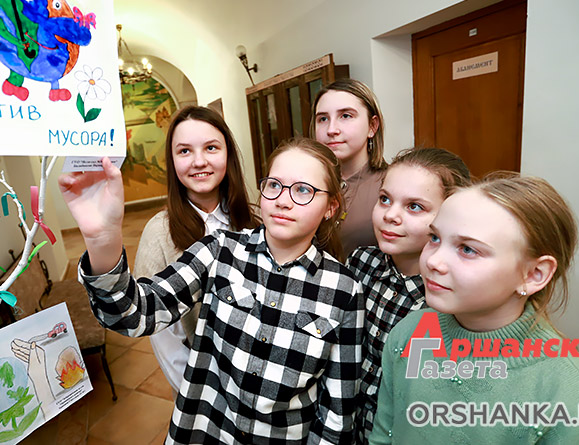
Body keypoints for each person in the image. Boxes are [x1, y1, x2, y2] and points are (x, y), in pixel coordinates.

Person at [59, 137, 365, 444]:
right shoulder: (220, 251)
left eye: (303, 190)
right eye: (274, 185)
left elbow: (337, 414)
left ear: (331, 207)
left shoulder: (345, 291)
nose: (283, 200)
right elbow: (134, 314)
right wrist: (102, 239)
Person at [370, 174, 579, 443]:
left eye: (467, 249)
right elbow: (384, 435)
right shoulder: (409, 334)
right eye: (434, 238)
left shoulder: (573, 401)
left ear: (534, 274)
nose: (434, 261)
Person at [346, 148, 471, 441]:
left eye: (414, 206)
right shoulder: (360, 263)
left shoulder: (450, 300)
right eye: (385, 199)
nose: (390, 215)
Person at [134, 106, 258, 395]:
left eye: (211, 148)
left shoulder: (256, 220)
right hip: (205, 386)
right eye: (185, 151)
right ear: (172, 161)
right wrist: (200, 396)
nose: (199, 161)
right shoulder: (159, 233)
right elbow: (165, 337)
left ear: (228, 153)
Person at [310, 78, 388, 257]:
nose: (331, 129)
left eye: (345, 116)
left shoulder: (390, 184)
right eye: (323, 119)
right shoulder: (305, 182)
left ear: (372, 126)